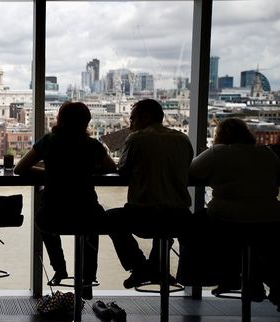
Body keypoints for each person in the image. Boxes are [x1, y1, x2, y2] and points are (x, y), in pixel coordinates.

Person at [14, 102, 116, 299]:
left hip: (54, 214)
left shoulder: (49, 141)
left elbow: (20, 169)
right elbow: (111, 167)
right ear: (86, 122)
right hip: (86, 213)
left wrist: (51, 171)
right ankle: (87, 279)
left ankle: (59, 268)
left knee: (42, 219)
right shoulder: (92, 145)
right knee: (92, 224)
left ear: (60, 119)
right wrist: (85, 170)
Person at [189, 118, 280, 306]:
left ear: (220, 135)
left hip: (227, 220)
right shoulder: (268, 154)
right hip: (270, 220)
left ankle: (225, 276)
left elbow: (191, 171)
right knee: (252, 243)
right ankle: (256, 281)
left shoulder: (218, 152)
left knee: (193, 225)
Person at [107, 99, 194, 288]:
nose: (130, 124)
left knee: (109, 219)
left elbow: (123, 171)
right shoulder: (183, 138)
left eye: (132, 119)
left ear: (145, 117)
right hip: (180, 217)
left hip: (144, 216)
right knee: (164, 225)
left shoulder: (136, 138)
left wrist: (130, 136)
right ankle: (158, 268)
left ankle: (138, 266)